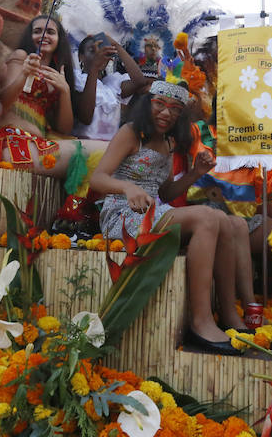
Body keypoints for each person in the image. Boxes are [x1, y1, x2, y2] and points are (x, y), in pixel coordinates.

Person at [90, 80, 255, 355]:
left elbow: (164, 191)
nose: (166, 113)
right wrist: (128, 187)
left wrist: (195, 174)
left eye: (175, 109)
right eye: (160, 105)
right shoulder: (131, 133)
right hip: (122, 214)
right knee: (207, 217)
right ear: (148, 104)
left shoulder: (169, 141)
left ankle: (229, 316)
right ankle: (200, 322)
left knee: (231, 222)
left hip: (154, 210)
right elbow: (97, 178)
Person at [0, 15, 105, 176]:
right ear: (30, 37)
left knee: (110, 152)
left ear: (59, 39)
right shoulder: (20, 56)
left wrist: (64, 91)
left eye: (50, 32)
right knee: (106, 152)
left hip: (41, 145)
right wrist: (24, 74)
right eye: (37, 31)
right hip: (13, 145)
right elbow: (0, 106)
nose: (44, 36)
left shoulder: (57, 74)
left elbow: (64, 128)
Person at [73, 34, 147, 141]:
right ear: (81, 56)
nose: (99, 55)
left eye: (104, 51)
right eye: (92, 51)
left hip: (109, 150)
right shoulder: (77, 79)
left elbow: (140, 81)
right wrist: (94, 67)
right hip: (84, 149)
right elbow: (86, 118)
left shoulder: (112, 84)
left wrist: (117, 46)